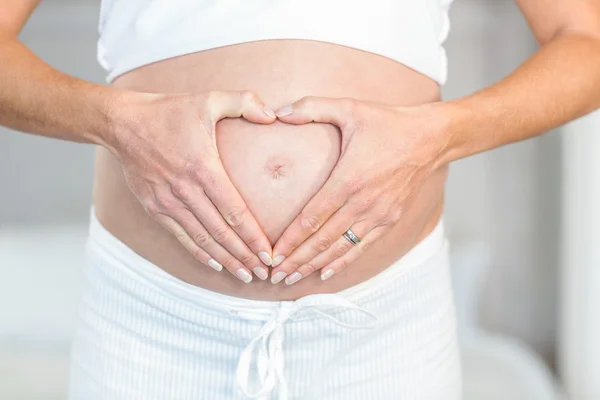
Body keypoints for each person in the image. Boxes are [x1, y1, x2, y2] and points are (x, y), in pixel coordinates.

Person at [2, 0, 600, 399]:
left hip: (385, 334)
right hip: (153, 329)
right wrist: (114, 122)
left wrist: (439, 136)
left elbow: (587, 40)